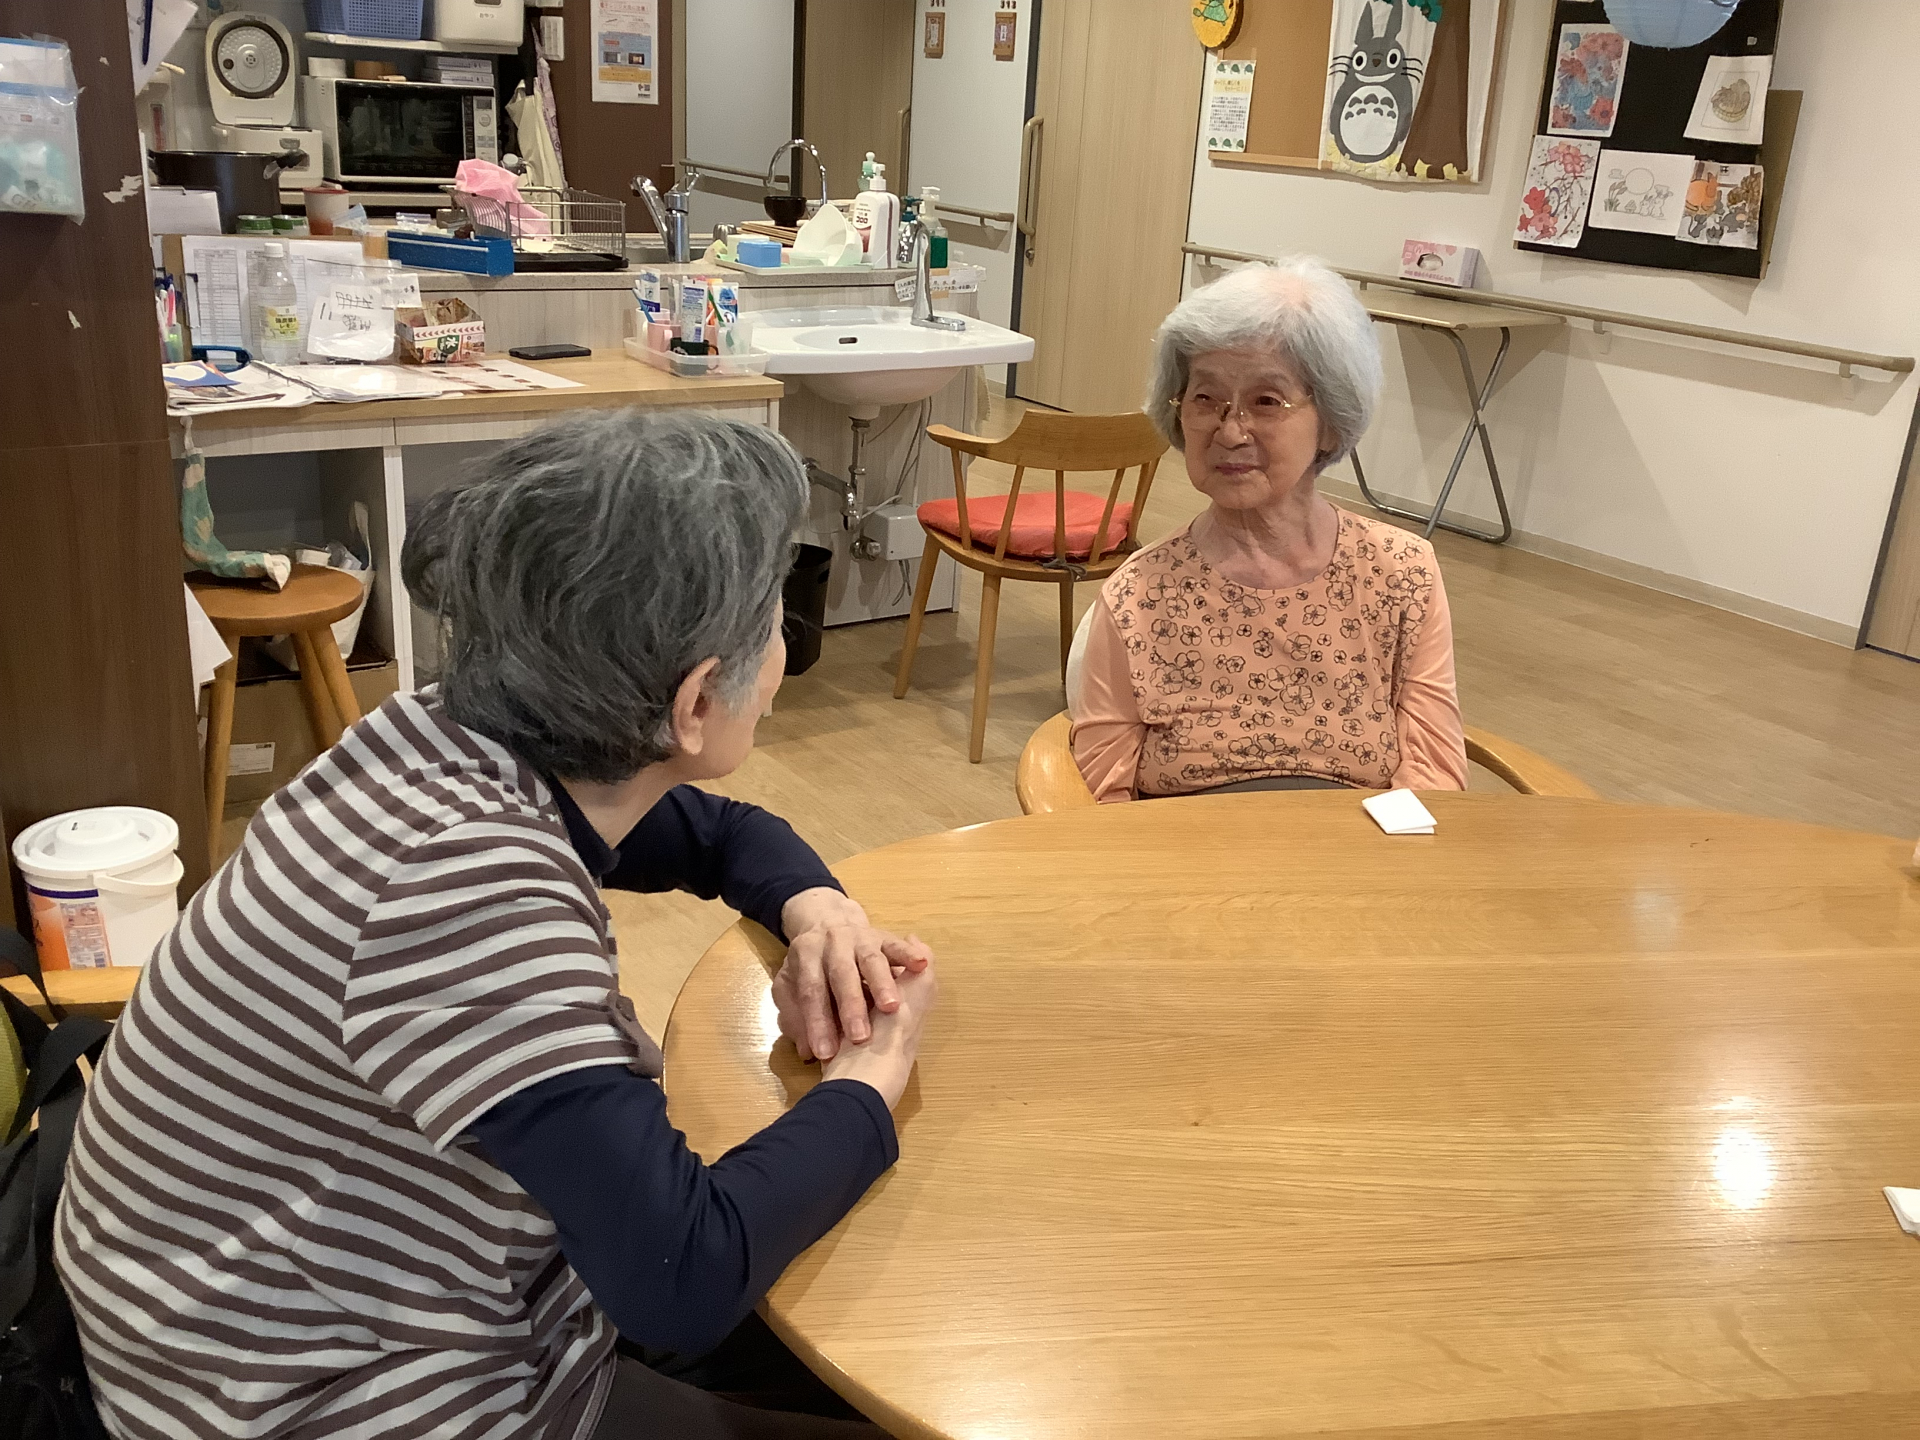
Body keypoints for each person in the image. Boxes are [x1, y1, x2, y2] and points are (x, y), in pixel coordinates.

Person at [53, 412, 937, 1440]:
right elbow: (681, 1275)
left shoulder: (442, 740)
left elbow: (716, 833)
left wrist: (818, 907)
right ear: (697, 701)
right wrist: (873, 1072)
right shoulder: (468, 896)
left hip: (266, 1302)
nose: (782, 648)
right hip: (299, 1395)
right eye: (773, 622)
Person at [1071, 258, 1468, 801]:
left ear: (1330, 422)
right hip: (1188, 851)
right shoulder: (1139, 596)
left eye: (1266, 401)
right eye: (1205, 398)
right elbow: (1101, 798)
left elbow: (1432, 772)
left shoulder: (1401, 574)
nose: (1231, 432)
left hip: (1360, 847)